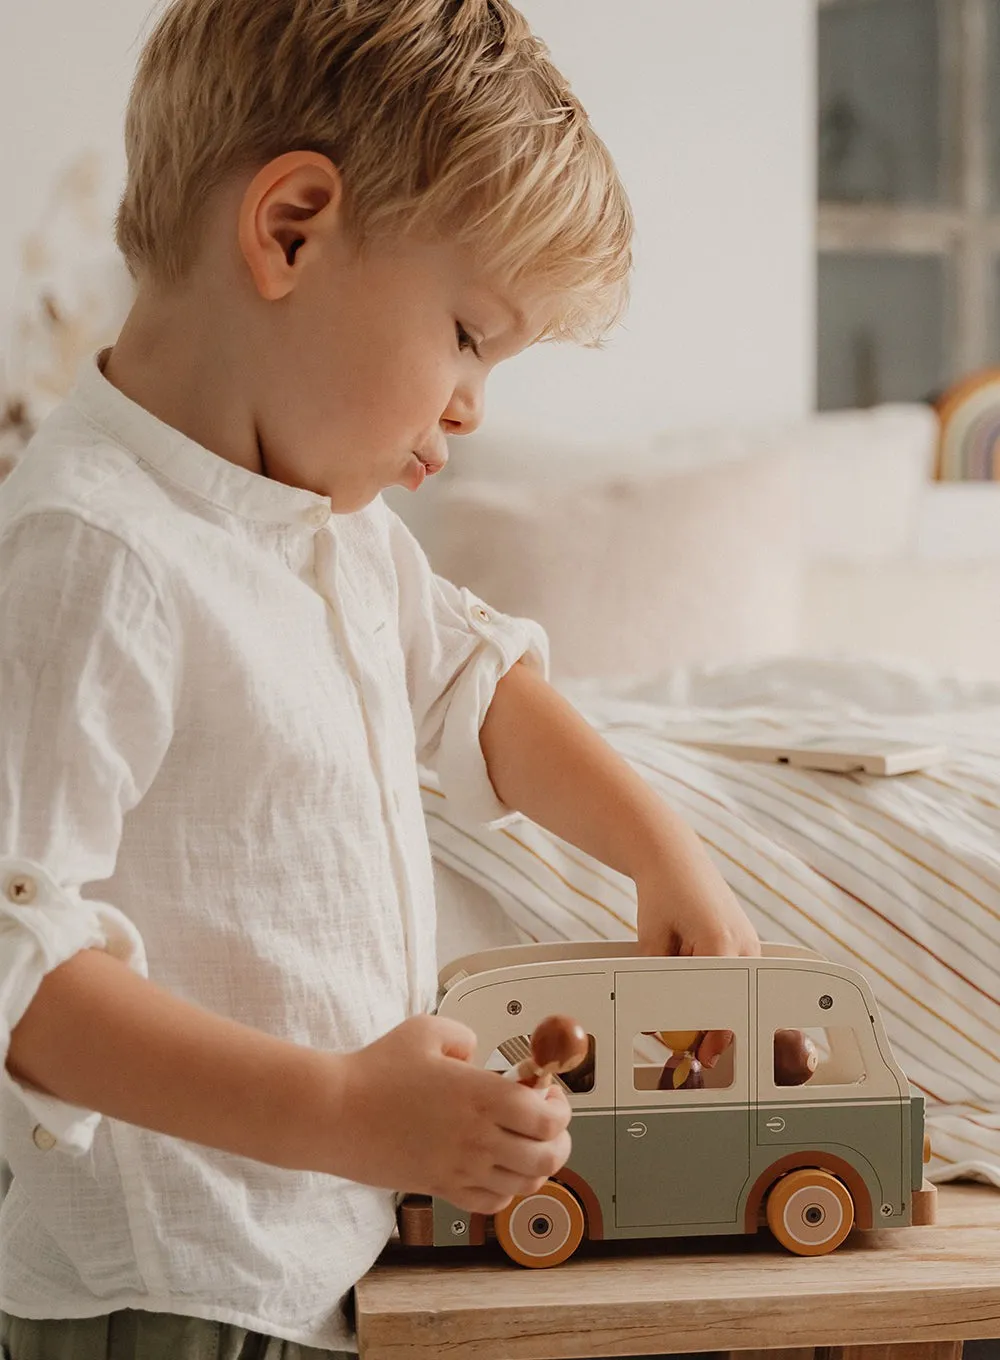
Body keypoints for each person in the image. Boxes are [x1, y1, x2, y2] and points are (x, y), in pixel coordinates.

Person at [0, 1, 759, 1354]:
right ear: (291, 228)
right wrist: (344, 1111)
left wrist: (660, 848)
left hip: (318, 1265)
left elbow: (479, 686)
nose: (473, 408)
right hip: (172, 1294)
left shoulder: (330, 530)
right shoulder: (100, 552)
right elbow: (18, 965)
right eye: (469, 335)